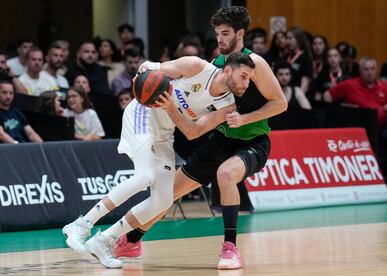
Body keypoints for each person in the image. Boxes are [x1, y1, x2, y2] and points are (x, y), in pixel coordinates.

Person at [114, 5, 287, 270]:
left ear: (240, 33)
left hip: (253, 141)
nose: (220, 39)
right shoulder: (217, 66)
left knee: (226, 174)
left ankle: (230, 248)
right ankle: (132, 240)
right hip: (221, 138)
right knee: (167, 193)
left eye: (226, 33)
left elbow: (280, 104)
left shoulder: (256, 64)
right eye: (217, 33)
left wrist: (245, 119)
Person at [62, 52, 256, 268]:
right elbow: (149, 66)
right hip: (143, 113)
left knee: (163, 200)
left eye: (249, 78)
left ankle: (104, 239)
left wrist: (171, 107)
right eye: (244, 76)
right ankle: (81, 225)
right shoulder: (195, 67)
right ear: (228, 70)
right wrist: (142, 79)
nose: (246, 84)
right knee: (145, 176)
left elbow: (193, 132)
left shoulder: (228, 106)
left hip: (165, 132)